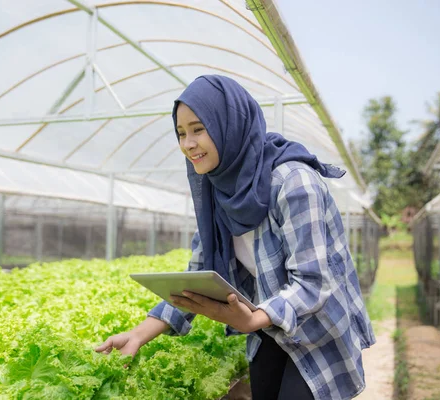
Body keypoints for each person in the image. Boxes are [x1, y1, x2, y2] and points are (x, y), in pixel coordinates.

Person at [95, 75, 376, 400]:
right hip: (268, 329)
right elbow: (197, 274)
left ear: (229, 124)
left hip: (317, 331)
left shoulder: (293, 182)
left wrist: (252, 319)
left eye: (199, 129)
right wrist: (138, 334)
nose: (188, 144)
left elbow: (313, 283)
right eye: (181, 133)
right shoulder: (216, 188)